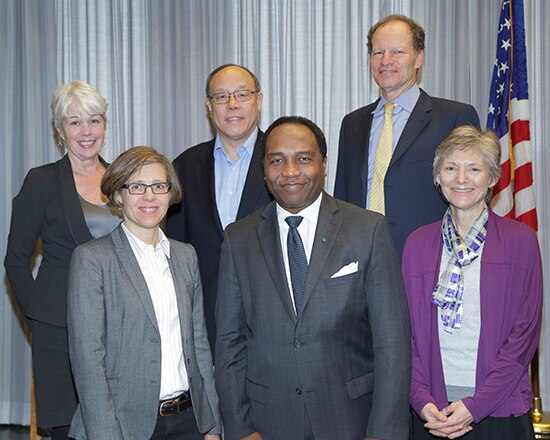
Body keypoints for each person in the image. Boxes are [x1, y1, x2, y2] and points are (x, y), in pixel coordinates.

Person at [215, 116, 411, 440]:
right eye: (277, 160)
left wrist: (383, 431)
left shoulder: (368, 230)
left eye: (303, 159)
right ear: (263, 169)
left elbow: (392, 343)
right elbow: (229, 345)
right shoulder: (239, 239)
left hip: (352, 422)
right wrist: (241, 428)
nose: (290, 171)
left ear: (324, 163)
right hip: (268, 424)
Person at [67, 147, 222, 440]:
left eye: (158, 186)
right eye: (136, 186)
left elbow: (199, 346)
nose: (149, 196)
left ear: (169, 193)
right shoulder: (92, 260)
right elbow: (88, 361)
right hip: (123, 426)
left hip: (189, 421)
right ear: (118, 195)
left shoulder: (186, 256)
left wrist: (212, 424)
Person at [402, 126, 542, 439]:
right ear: (438, 177)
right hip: (432, 414)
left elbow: (524, 336)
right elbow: (405, 335)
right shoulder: (417, 244)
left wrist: (476, 406)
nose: (461, 179)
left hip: (500, 411)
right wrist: (421, 401)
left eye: (474, 169)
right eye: (450, 168)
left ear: (492, 178)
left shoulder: (521, 241)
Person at [4, 80, 122, 439]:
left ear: (104, 125)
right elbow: (15, 261)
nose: (86, 132)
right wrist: (41, 318)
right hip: (60, 329)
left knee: (117, 421)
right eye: (74, 122)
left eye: (94, 120)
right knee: (67, 428)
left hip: (118, 324)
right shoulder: (41, 182)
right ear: (60, 130)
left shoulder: (123, 177)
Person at [334, 14, 481, 259]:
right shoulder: (352, 124)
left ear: (419, 58)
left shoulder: (454, 117)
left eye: (398, 52)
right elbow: (343, 198)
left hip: (427, 261)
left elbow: (470, 197)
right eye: (378, 53)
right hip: (360, 262)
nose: (386, 61)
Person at [166, 64, 272, 352]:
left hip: (270, 320)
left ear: (259, 100)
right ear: (209, 106)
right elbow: (175, 250)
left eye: (242, 94)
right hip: (204, 322)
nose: (232, 104)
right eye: (222, 97)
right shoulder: (184, 167)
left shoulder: (281, 162)